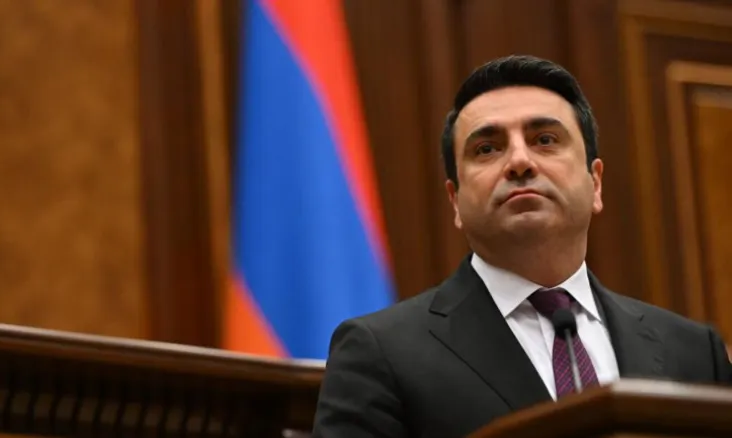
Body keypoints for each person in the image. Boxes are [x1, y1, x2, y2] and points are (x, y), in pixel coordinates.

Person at [311, 55, 732, 438]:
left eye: (545, 140)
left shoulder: (695, 351)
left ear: (596, 183)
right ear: (455, 201)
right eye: (487, 148)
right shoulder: (381, 351)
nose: (519, 161)